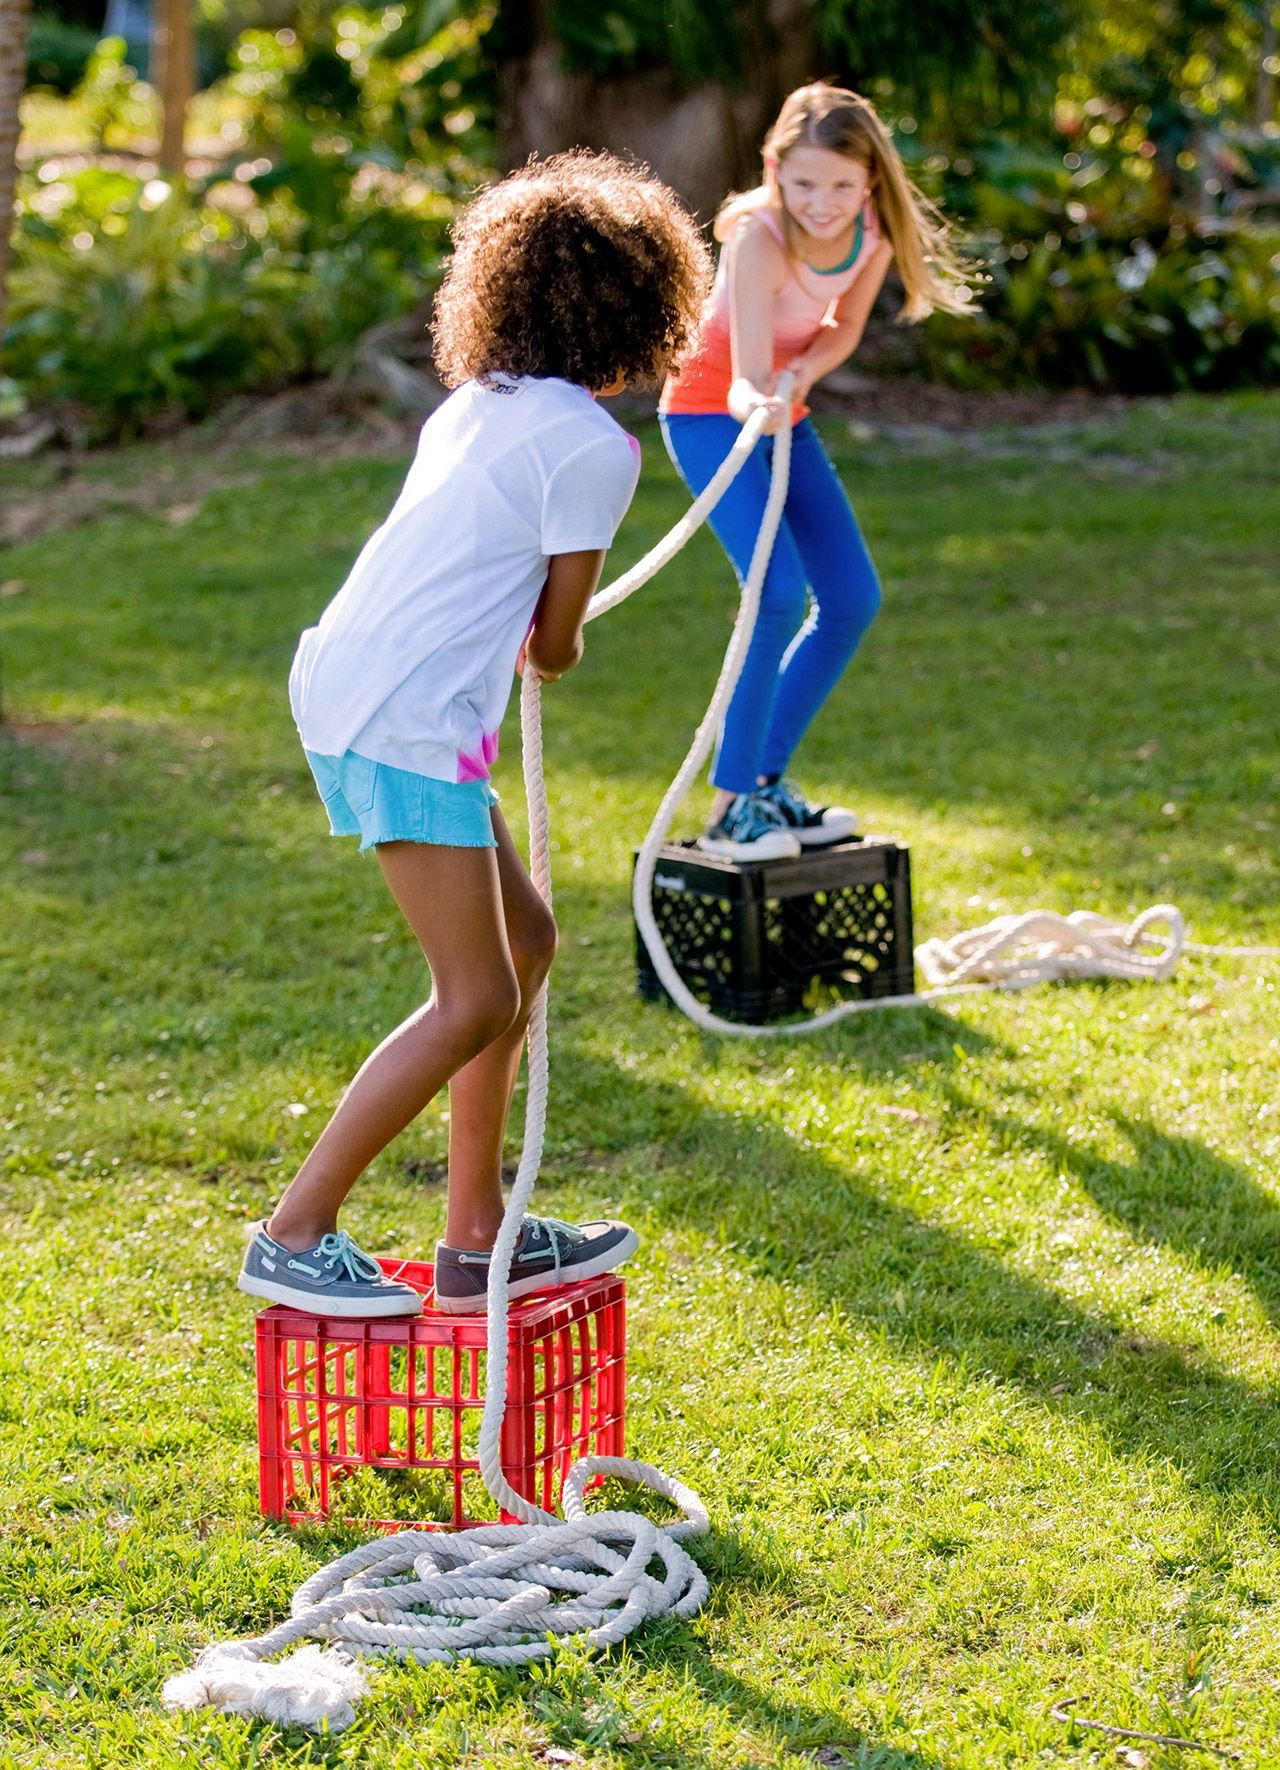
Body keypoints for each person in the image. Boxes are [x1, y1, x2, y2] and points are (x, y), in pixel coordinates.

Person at [238, 153, 712, 1318]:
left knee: (528, 942)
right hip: (408, 717)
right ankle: (293, 1231)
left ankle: (473, 1234)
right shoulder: (595, 450)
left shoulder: (478, 404)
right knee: (475, 998)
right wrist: (552, 636)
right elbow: (550, 648)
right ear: (649, 308)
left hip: (358, 690)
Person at [660, 82, 972, 861]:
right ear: (774, 168)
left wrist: (801, 381)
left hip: (783, 410)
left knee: (851, 598)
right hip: (707, 413)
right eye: (803, 183)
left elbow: (842, 332)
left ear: (869, 180)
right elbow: (745, 367)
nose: (822, 203)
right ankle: (734, 805)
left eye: (840, 184)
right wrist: (757, 391)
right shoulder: (758, 237)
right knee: (775, 591)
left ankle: (764, 784)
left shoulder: (873, 233)